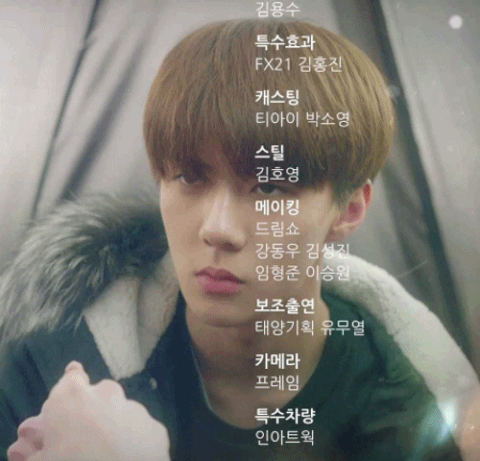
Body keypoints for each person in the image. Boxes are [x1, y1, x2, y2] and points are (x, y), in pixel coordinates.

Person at [0, 18, 469, 460]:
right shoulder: (55, 368)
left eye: (269, 188)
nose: (218, 228)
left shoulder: (405, 407)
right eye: (189, 177)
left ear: (349, 210)